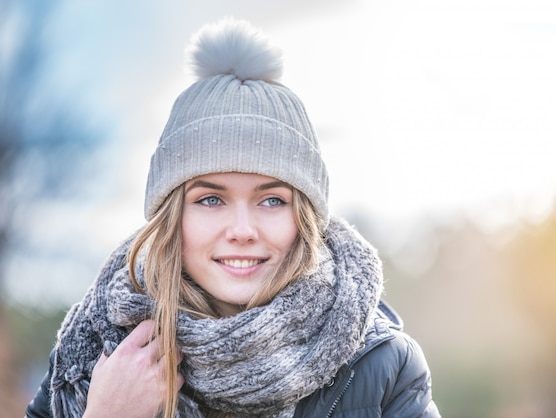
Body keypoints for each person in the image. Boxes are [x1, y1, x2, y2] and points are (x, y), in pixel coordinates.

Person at [26, 17, 441, 418]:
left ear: (306, 219)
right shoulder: (95, 357)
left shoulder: (384, 367)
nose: (242, 231)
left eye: (272, 201)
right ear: (172, 219)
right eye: (210, 200)